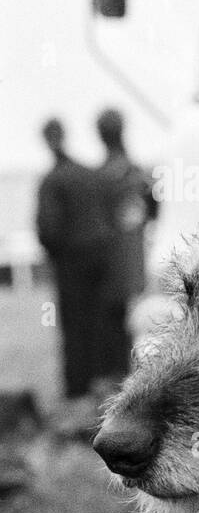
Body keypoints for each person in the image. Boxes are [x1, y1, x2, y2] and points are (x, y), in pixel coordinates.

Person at [34, 118, 116, 400]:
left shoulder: (53, 179)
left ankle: (77, 390)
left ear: (47, 139)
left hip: (72, 263)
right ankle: (99, 385)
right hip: (100, 259)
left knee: (73, 327)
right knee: (97, 324)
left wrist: (57, 253)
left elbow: (48, 230)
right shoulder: (88, 174)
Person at [95, 108, 158, 380]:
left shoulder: (98, 179)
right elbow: (154, 212)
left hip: (108, 271)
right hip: (135, 267)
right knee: (137, 332)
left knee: (113, 335)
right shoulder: (139, 175)